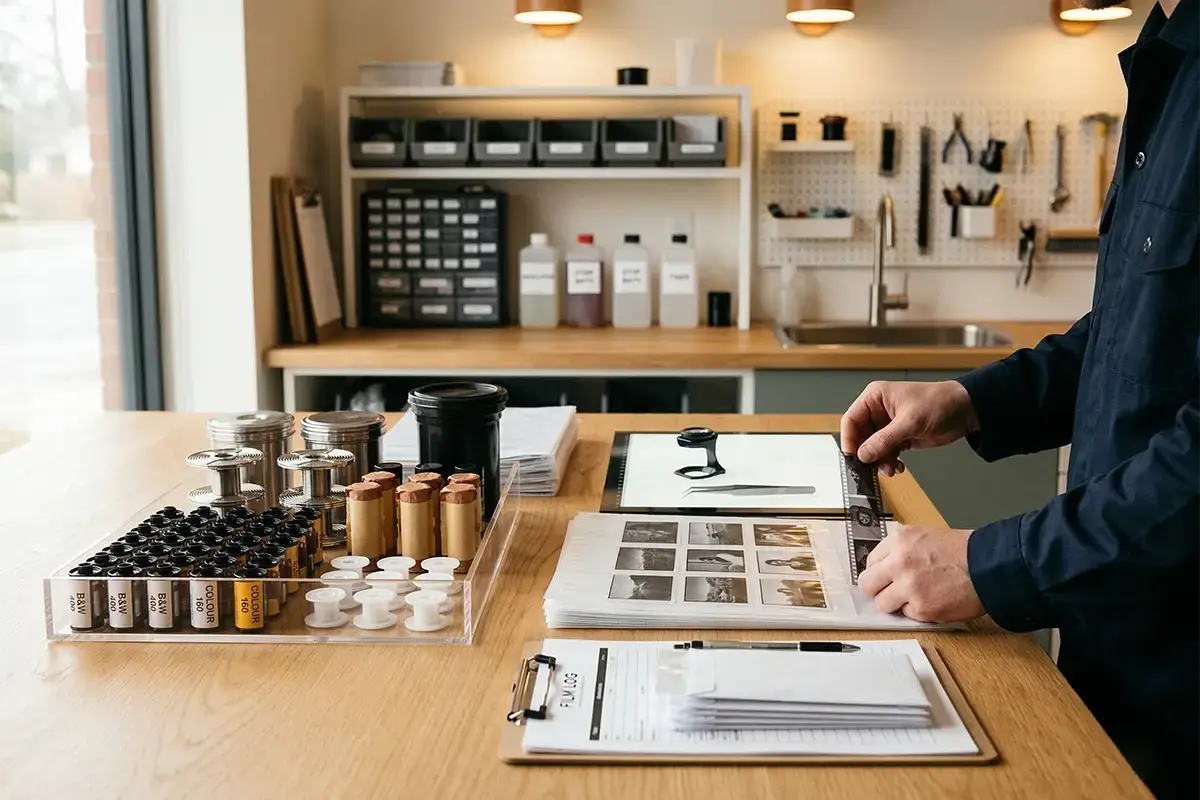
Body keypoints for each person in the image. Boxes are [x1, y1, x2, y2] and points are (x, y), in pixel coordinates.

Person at [839, 4, 1197, 794]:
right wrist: (969, 399)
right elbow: (1134, 334)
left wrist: (993, 563)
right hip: (1117, 648)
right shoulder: (1169, 60)